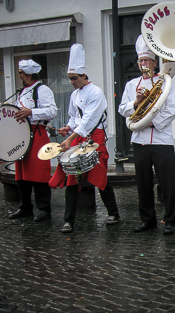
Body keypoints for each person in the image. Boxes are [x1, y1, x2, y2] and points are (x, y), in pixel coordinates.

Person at [53, 43, 120, 233]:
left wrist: (70, 138)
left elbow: (89, 120)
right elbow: (76, 118)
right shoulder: (75, 94)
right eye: (70, 79)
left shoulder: (96, 93)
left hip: (95, 138)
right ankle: (68, 220)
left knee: (99, 177)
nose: (72, 82)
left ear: (83, 75)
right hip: (79, 138)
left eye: (74, 78)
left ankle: (113, 212)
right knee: (72, 178)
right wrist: (68, 127)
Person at [118, 35, 175, 235]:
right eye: (141, 61)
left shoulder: (165, 82)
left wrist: (152, 121)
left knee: (167, 182)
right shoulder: (131, 85)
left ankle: (170, 220)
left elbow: (173, 109)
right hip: (140, 141)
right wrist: (136, 103)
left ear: (154, 63)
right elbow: (122, 109)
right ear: (138, 63)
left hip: (162, 140)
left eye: (148, 61)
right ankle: (147, 219)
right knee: (143, 183)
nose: (144, 64)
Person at [9, 59, 58, 222]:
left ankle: (44, 208)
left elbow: (52, 111)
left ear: (29, 74)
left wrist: (31, 112)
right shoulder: (23, 91)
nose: (19, 75)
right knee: (21, 172)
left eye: (21, 73)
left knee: (39, 172)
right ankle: (25, 207)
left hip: (37, 133)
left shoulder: (43, 90)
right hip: (22, 135)